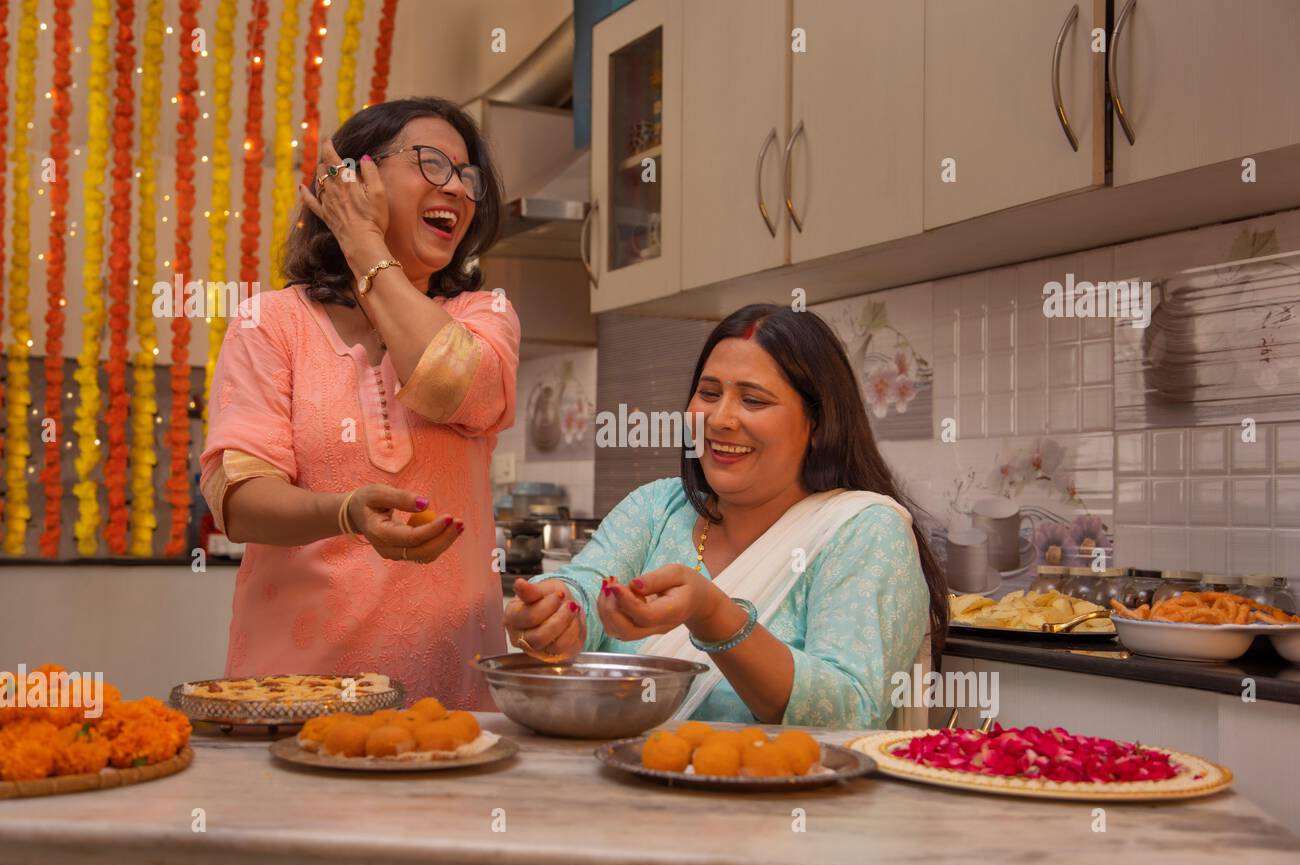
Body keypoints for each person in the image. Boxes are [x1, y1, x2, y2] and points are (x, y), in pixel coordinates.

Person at [200, 97, 516, 705]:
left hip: (450, 704)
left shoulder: (486, 315)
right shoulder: (270, 323)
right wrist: (344, 513)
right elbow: (238, 501)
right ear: (352, 180)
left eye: (466, 174)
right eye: (431, 163)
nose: (456, 187)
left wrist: (366, 244)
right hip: (294, 696)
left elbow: (454, 385)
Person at [505, 305, 947, 728]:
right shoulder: (658, 508)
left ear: (817, 423)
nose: (719, 418)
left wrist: (713, 615)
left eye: (753, 401)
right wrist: (558, 609)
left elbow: (848, 712)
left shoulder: (864, 531)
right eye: (709, 393)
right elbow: (587, 583)